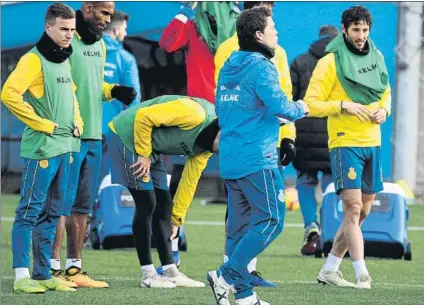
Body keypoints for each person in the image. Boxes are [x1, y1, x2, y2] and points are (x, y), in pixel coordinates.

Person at [207, 7, 307, 305]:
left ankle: (245, 297)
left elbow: (228, 108)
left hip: (231, 158)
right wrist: (301, 108)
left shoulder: (230, 63)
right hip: (257, 158)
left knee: (239, 227)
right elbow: (281, 106)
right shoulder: (262, 65)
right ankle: (225, 276)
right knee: (272, 220)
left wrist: (262, 118)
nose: (277, 32)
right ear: (259, 34)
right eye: (272, 27)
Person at [51, 1, 137, 288]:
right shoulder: (66, 39)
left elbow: (93, 84)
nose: (108, 19)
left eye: (111, 15)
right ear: (87, 8)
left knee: (83, 206)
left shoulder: (100, 46)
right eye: (104, 13)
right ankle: (51, 269)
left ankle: (74, 268)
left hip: (94, 137)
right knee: (60, 205)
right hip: (68, 136)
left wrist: (113, 90)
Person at [304, 6, 391, 289]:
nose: (361, 36)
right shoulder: (329, 62)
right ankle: (361, 273)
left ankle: (330, 268)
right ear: (344, 29)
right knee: (352, 209)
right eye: (355, 30)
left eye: (365, 30)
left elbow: (385, 91)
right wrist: (343, 105)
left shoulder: (376, 57)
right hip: (345, 142)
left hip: (372, 142)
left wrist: (385, 111)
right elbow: (311, 104)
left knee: (363, 212)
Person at [1, 3, 83, 293]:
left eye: (72, 30)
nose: (69, 35)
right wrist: (42, 124)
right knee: (29, 211)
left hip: (65, 147)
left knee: (52, 213)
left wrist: (78, 120)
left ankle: (42, 273)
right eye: (63, 29)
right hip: (41, 149)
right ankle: (21, 276)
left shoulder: (64, 59)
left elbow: (71, 93)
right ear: (48, 27)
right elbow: (8, 94)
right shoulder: (32, 60)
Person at [108, 95, 220, 288]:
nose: (225, 152)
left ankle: (170, 270)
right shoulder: (194, 113)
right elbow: (144, 116)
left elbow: (189, 180)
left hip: (149, 147)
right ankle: (148, 274)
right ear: (221, 132)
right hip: (125, 135)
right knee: (147, 203)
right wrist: (143, 154)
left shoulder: (207, 148)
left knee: (165, 204)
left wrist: (177, 219)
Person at [159, 0, 239, 269]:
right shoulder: (194, 27)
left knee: (238, 184)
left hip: (232, 114)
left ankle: (235, 260)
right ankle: (170, 252)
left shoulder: (239, 29)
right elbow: (168, 43)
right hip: (198, 116)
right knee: (181, 181)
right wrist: (185, 10)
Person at [289, 25, 338, 256]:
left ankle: (311, 225)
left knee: (305, 181)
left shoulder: (299, 62)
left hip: (304, 133)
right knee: (331, 187)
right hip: (334, 131)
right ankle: (329, 232)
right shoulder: (343, 62)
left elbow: (289, 99)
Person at [99, 9, 141, 180]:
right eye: (124, 28)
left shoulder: (82, 53)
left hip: (81, 127)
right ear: (116, 31)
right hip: (111, 129)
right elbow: (133, 98)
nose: (126, 33)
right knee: (103, 179)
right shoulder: (125, 59)